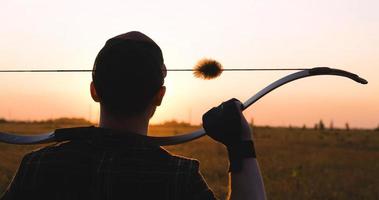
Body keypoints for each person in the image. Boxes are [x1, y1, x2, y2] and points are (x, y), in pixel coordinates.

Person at [1, 31, 266, 200]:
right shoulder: (178, 178)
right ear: (159, 96)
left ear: (94, 91)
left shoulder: (37, 167)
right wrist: (240, 143)